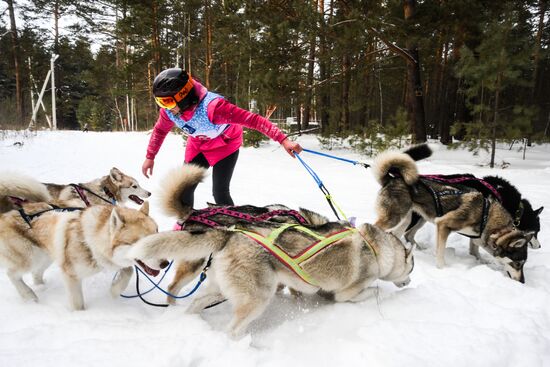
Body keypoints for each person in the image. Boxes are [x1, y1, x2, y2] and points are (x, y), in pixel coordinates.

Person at [142, 68, 302, 207]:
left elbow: (253, 120)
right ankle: (186, 225)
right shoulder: (169, 112)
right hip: (199, 146)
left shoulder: (215, 108)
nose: (165, 108)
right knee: (184, 188)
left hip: (225, 146)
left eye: (167, 102)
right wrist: (150, 157)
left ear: (183, 96)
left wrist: (283, 140)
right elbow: (159, 131)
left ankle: (232, 227)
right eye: (161, 102)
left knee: (220, 192)